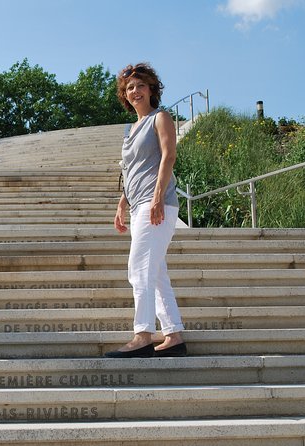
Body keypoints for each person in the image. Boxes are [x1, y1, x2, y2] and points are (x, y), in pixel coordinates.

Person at [105, 63, 186, 358]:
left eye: (140, 85)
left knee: (138, 270)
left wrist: (155, 199)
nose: (135, 91)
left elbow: (169, 156)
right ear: (124, 96)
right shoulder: (131, 129)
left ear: (152, 89)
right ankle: (174, 333)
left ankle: (142, 335)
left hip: (158, 204)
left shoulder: (159, 118)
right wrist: (122, 203)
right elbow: (132, 170)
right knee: (156, 273)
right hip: (138, 203)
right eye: (129, 88)